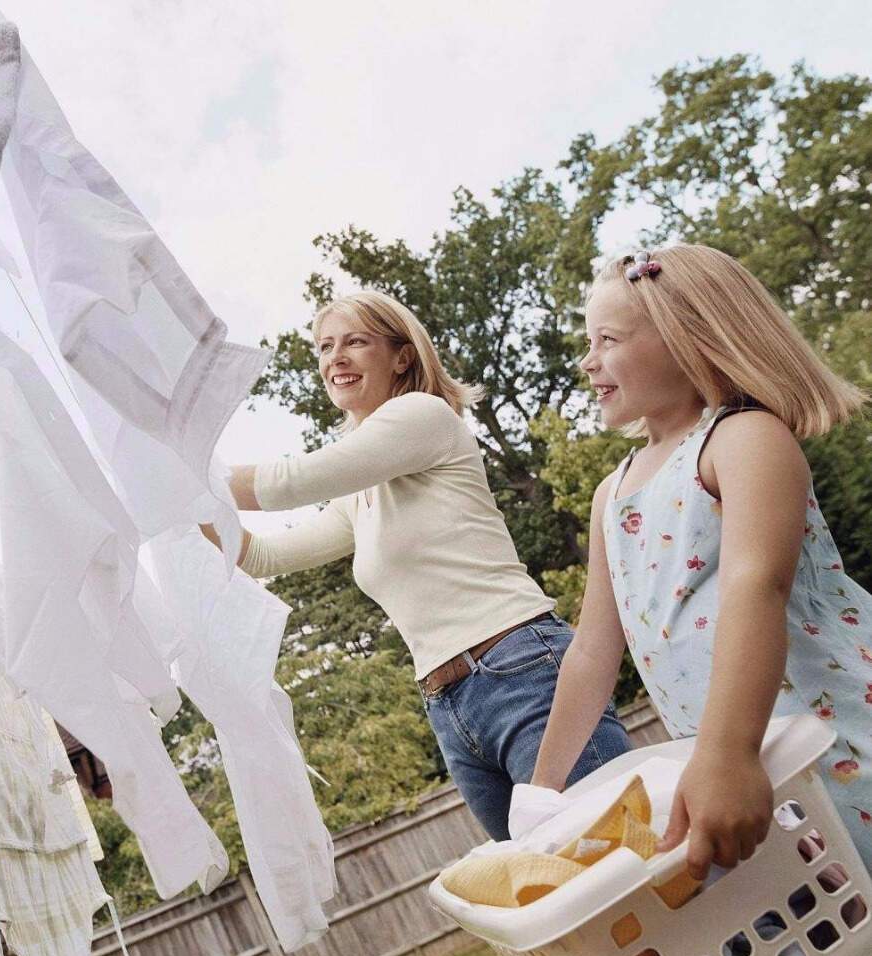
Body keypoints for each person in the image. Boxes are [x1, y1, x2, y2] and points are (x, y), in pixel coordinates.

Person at [203, 290, 630, 841]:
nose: (336, 357)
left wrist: (183, 470)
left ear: (402, 357)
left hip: (523, 671)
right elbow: (262, 556)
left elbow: (287, 483)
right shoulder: (362, 492)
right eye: (325, 346)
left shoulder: (422, 417)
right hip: (449, 706)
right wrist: (184, 513)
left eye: (356, 341)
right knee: (546, 885)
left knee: (617, 855)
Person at [529, 245, 872, 880]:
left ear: (690, 339)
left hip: (834, 732)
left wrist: (726, 754)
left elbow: (756, 586)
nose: (587, 361)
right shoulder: (612, 495)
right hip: (750, 760)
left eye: (607, 339)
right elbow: (592, 652)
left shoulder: (743, 439)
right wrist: (540, 797)